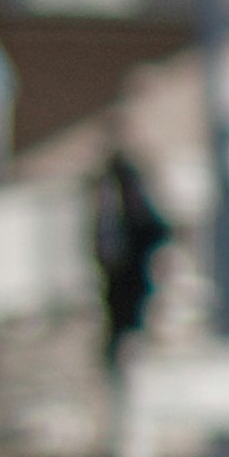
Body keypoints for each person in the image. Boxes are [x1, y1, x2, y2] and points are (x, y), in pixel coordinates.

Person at [88, 124, 171, 366]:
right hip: (123, 262)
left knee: (125, 303)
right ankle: (123, 351)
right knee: (123, 304)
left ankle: (126, 351)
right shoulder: (114, 183)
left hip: (126, 260)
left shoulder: (120, 181)